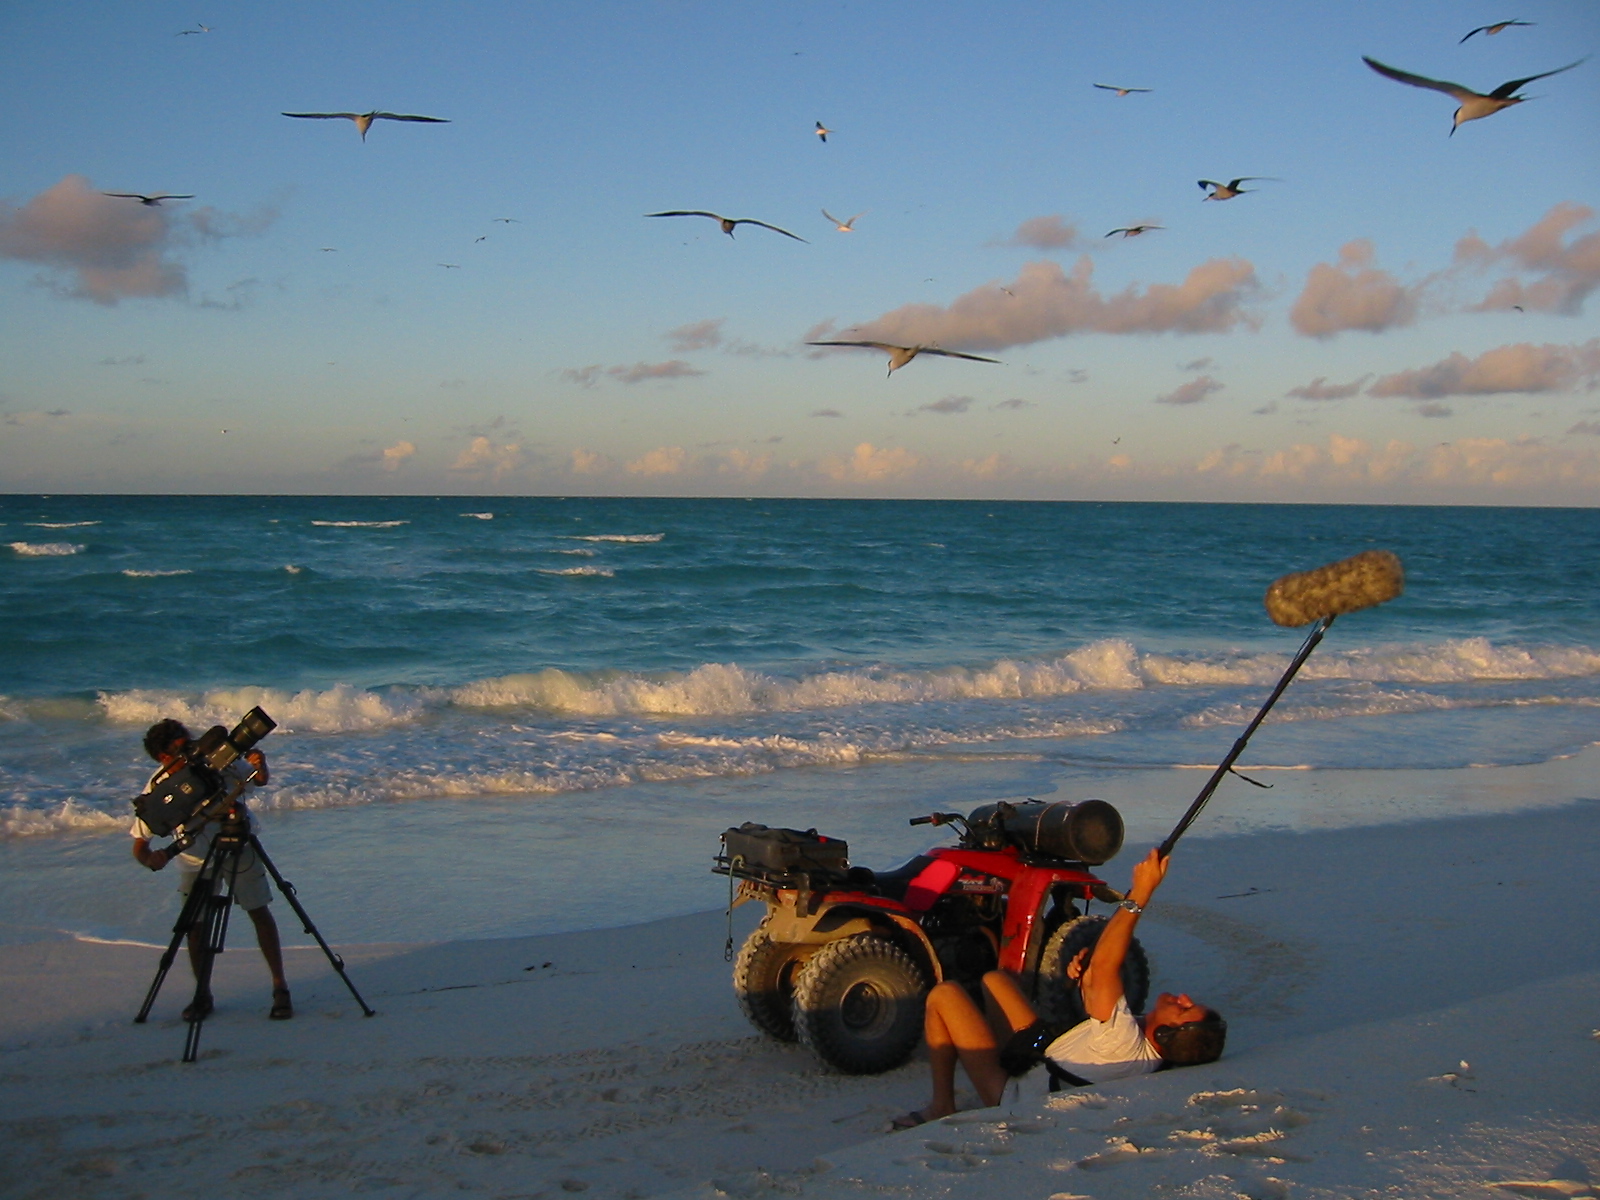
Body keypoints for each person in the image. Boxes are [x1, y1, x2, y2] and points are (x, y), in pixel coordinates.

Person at [893, 846, 1225, 1129]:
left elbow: (1105, 966)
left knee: (945, 994)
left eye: (1184, 1009)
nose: (1184, 998)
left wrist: (1141, 891)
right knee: (996, 980)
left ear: (1163, 1034)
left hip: (1012, 1094)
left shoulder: (1121, 1041)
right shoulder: (1139, 1040)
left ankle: (941, 1106)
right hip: (1044, 1053)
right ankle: (988, 1050)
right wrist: (1085, 977)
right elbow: (1101, 979)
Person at [130, 717, 292, 1021]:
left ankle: (280, 987)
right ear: (163, 757)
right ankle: (202, 993)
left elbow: (258, 780)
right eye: (181, 749)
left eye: (189, 744)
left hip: (239, 842)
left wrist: (260, 764)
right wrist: (151, 859)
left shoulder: (219, 760)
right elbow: (140, 842)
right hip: (195, 858)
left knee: (259, 911)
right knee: (196, 926)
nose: (191, 751)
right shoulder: (160, 787)